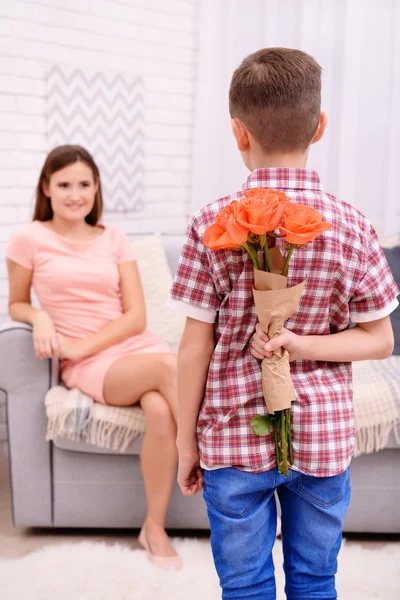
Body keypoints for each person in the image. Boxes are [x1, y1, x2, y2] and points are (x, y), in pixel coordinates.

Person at [169, 48, 399, 598]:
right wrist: (305, 343)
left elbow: (193, 350)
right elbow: (380, 341)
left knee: (245, 585)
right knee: (316, 580)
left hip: (230, 440)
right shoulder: (352, 225)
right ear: (319, 127)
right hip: (322, 441)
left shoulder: (211, 223)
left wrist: (186, 444)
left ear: (237, 132)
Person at [6, 145, 182, 571]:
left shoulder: (115, 239)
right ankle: (216, 461)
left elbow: (137, 316)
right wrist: (40, 316)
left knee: (160, 410)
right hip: (87, 365)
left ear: (96, 187)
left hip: (132, 347)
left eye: (84, 184)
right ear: (46, 188)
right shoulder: (29, 239)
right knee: (169, 367)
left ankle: (153, 527)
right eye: (64, 184)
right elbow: (15, 303)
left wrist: (85, 343)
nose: (75, 194)